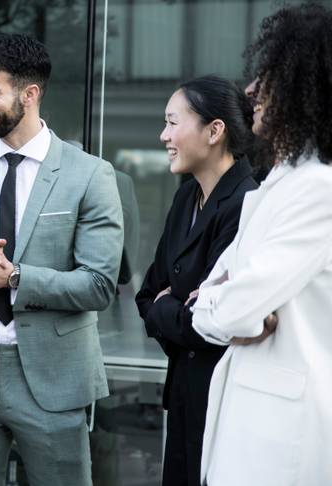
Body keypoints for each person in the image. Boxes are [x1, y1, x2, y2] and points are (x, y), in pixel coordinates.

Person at [0, 34, 123, 485]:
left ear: (29, 94)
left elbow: (99, 285)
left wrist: (14, 277)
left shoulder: (90, 174)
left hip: (54, 379)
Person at [190, 4, 332, 486]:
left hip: (282, 444)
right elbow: (205, 305)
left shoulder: (318, 190)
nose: (251, 90)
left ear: (303, 85)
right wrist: (227, 303)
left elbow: (229, 311)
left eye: (267, 78)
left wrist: (228, 304)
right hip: (250, 428)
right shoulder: (277, 183)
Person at [135, 75, 258, 486]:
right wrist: (174, 307)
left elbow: (212, 321)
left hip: (224, 400)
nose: (163, 135)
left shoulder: (247, 202)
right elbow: (147, 294)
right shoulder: (186, 196)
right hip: (185, 394)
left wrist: (167, 309)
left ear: (214, 130)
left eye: (173, 123)